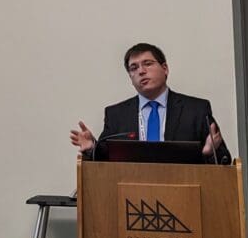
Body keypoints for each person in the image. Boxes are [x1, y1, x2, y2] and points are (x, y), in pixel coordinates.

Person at [70, 42, 230, 162]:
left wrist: (209, 153)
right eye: (134, 68)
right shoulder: (116, 114)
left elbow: (224, 160)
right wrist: (92, 148)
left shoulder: (196, 109)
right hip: (131, 196)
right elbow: (106, 160)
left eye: (147, 64)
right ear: (130, 77)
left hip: (185, 194)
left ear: (165, 68)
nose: (141, 71)